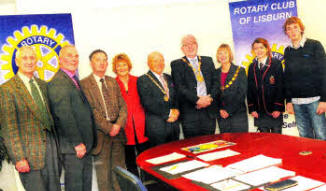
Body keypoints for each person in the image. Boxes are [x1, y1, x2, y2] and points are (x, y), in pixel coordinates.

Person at [0, 46, 60, 191]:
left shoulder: (43, 85)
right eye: (24, 58)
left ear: (37, 61)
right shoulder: (7, 89)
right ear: (17, 61)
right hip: (28, 155)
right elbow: (9, 128)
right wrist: (19, 158)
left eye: (32, 58)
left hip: (51, 150)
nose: (29, 61)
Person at [48, 45, 97, 191]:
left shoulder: (72, 79)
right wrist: (77, 143)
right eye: (69, 56)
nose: (74, 59)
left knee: (85, 185)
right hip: (74, 147)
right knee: (76, 186)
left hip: (83, 145)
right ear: (59, 59)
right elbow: (64, 115)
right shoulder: (58, 82)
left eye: (76, 56)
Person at [80, 49, 127, 191]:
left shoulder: (113, 81)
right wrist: (108, 127)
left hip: (118, 134)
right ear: (91, 63)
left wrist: (118, 125)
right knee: (104, 177)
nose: (101, 63)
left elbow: (123, 106)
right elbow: (91, 111)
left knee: (120, 174)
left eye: (104, 60)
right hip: (100, 136)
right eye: (97, 59)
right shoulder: (84, 84)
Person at [283, 16, 326, 140]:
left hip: (315, 101)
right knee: (304, 138)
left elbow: (324, 73)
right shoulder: (288, 51)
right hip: (297, 103)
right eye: (288, 29)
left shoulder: (315, 45)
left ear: (301, 29)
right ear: (286, 32)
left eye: (295, 27)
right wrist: (289, 101)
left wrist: (324, 100)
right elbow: (288, 78)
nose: (292, 31)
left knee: (321, 137)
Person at [171, 34, 218, 138]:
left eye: (192, 43)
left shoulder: (208, 60)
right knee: (193, 146)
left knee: (211, 144)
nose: (190, 47)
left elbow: (216, 83)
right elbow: (180, 87)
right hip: (190, 114)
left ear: (197, 45)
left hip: (208, 111)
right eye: (186, 45)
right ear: (182, 49)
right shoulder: (176, 64)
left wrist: (209, 99)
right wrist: (197, 100)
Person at [112, 53, 150, 177]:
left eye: (124, 65)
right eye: (119, 66)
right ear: (115, 68)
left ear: (129, 66)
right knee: (130, 162)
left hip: (142, 126)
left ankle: (150, 185)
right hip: (125, 128)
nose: (122, 68)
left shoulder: (138, 80)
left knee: (146, 160)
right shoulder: (112, 84)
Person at [138, 51, 180, 147]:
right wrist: (168, 113)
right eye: (155, 61)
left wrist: (177, 111)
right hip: (157, 127)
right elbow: (148, 103)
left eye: (161, 61)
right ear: (149, 63)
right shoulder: (143, 80)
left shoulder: (169, 77)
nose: (159, 64)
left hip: (174, 126)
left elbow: (176, 97)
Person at [248, 38, 285, 133]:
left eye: (261, 47)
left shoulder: (276, 63)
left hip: (274, 110)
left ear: (267, 49)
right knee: (264, 142)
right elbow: (250, 89)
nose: (259, 50)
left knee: (277, 140)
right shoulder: (252, 67)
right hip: (259, 112)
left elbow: (280, 87)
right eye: (256, 48)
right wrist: (252, 108)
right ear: (253, 51)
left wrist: (278, 107)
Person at [216, 44, 248, 133]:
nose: (222, 56)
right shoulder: (215, 73)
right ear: (217, 57)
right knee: (225, 143)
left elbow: (241, 94)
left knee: (241, 143)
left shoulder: (240, 71)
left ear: (230, 54)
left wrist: (228, 111)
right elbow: (214, 95)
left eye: (225, 53)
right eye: (220, 53)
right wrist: (220, 110)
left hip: (238, 115)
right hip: (222, 115)